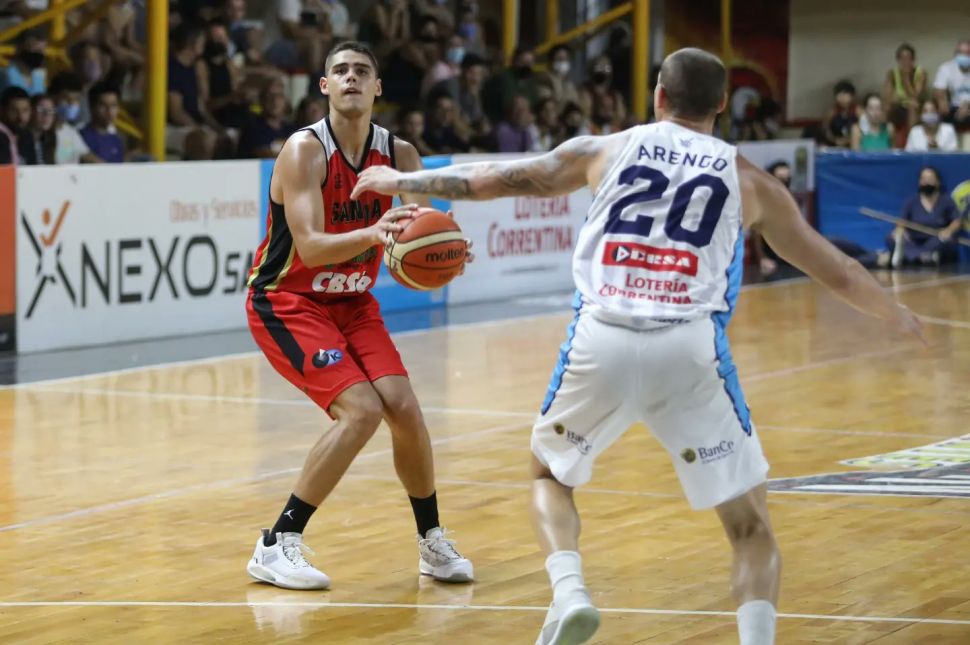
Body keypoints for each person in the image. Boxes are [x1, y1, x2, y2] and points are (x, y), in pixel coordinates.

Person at [352, 47, 924, 645]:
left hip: (601, 338)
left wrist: (402, 181)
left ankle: (570, 592)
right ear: (722, 105)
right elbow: (836, 270)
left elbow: (495, 178)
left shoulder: (606, 149)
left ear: (658, 96)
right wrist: (896, 313)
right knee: (750, 527)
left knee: (549, 475)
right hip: (689, 349)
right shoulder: (749, 179)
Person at [244, 41, 474, 591]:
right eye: (341, 70)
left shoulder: (401, 155)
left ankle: (431, 540)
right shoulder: (304, 151)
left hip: (352, 302)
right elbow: (310, 245)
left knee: (404, 408)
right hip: (288, 300)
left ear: (377, 88)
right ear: (324, 86)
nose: (351, 77)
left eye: (362, 71)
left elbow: (420, 232)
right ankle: (277, 542)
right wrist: (374, 233)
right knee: (361, 411)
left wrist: (446, 251)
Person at [884, 167, 962, 267]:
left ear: (938, 182)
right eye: (923, 179)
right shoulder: (911, 202)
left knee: (947, 241)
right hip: (914, 240)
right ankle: (923, 256)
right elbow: (902, 221)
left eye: (930, 179)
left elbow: (957, 221)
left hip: (936, 239)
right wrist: (900, 230)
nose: (926, 182)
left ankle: (913, 256)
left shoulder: (947, 201)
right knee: (891, 238)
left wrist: (949, 230)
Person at [237, 80, 295, 158]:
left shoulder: (291, 129)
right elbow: (264, 154)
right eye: (270, 96)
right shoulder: (252, 128)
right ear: (261, 100)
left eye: (279, 96)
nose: (275, 101)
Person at [882, 43, 926, 130]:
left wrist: (905, 79)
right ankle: (883, 133)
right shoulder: (892, 73)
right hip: (897, 105)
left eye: (908, 58)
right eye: (902, 58)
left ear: (913, 59)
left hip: (915, 106)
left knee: (912, 105)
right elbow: (888, 95)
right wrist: (897, 99)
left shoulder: (920, 72)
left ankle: (911, 135)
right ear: (898, 60)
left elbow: (916, 95)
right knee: (886, 105)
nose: (905, 61)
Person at [79, 83, 125, 163]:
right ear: (91, 106)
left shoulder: (116, 140)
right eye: (103, 105)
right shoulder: (81, 138)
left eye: (113, 105)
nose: (109, 111)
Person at [933, 39, 970, 131]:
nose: (964, 56)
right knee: (944, 114)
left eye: (967, 53)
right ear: (955, 55)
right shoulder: (946, 68)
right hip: (954, 107)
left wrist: (967, 105)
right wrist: (942, 100)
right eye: (960, 53)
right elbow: (939, 90)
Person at [820, 80, 858, 148]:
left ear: (852, 96)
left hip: (854, 144)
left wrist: (848, 140)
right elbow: (825, 130)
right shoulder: (832, 112)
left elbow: (865, 130)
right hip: (835, 145)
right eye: (839, 95)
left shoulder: (858, 111)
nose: (842, 98)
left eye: (845, 94)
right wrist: (835, 140)